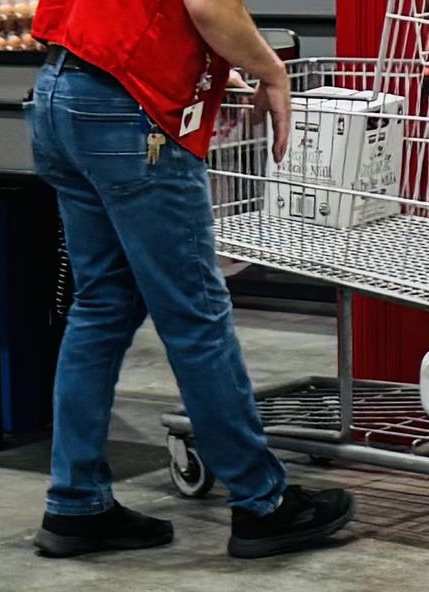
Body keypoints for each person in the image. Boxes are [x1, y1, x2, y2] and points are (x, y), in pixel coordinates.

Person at [24, 0, 353, 559]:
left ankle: (76, 504)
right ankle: (262, 502)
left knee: (101, 306)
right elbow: (208, 5)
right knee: (195, 315)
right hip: (129, 110)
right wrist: (270, 69)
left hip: (61, 93)